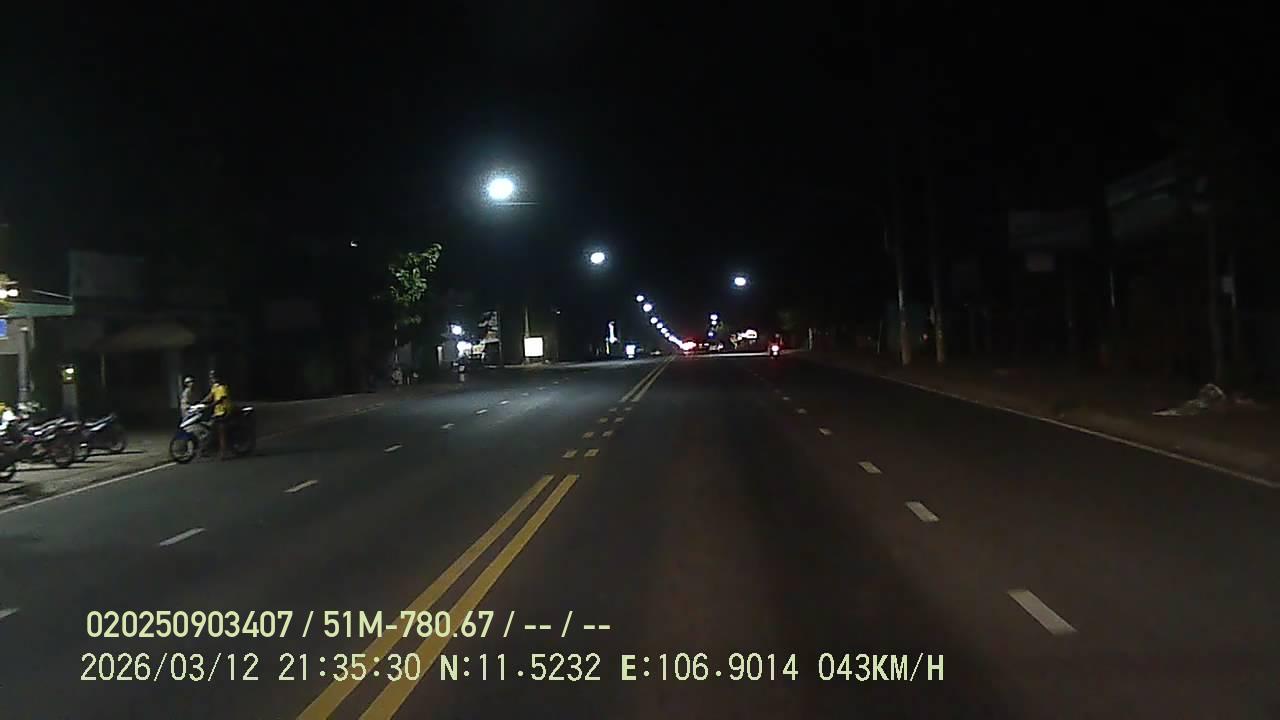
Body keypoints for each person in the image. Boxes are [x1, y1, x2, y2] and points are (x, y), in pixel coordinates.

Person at [200, 370, 231, 460]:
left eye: (212, 377)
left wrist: (210, 405)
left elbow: (220, 400)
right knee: (211, 429)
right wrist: (200, 402)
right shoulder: (215, 386)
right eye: (211, 377)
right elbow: (210, 396)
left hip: (224, 411)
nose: (211, 379)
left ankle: (223, 453)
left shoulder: (222, 387)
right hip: (217, 411)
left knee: (221, 432)